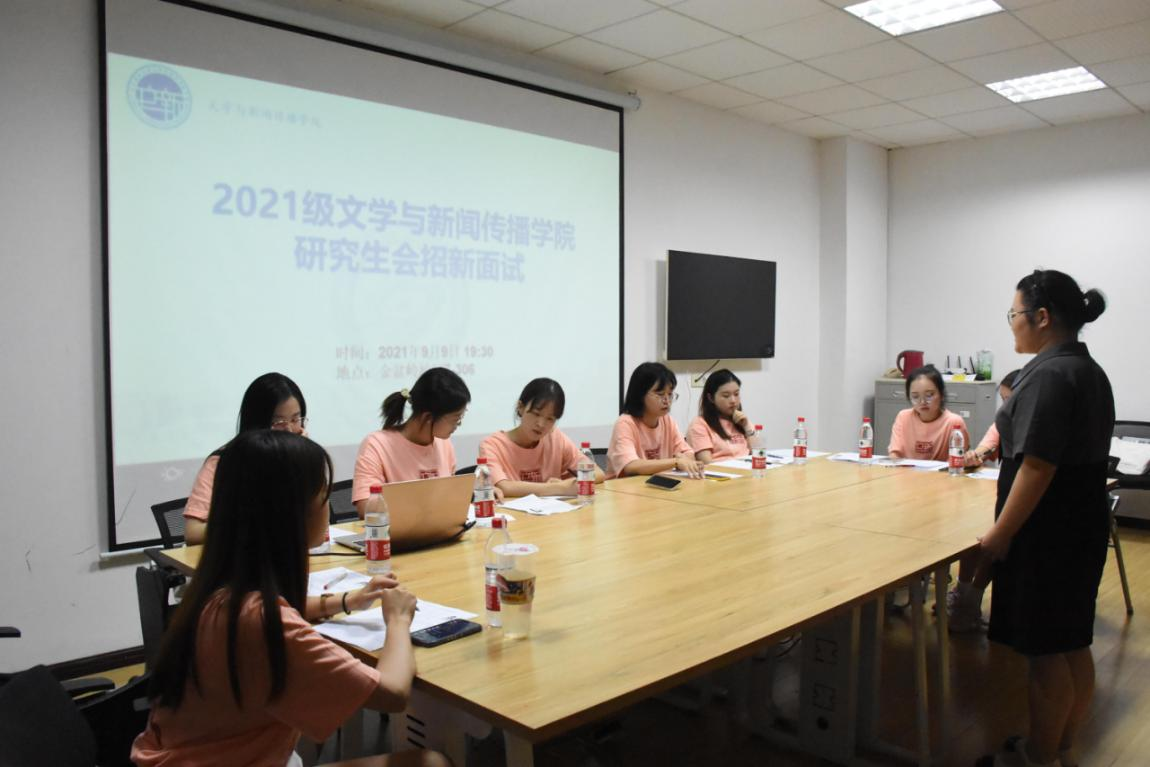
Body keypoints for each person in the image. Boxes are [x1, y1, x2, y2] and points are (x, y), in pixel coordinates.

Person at [132, 430, 448, 767]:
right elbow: (393, 694)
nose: (329, 505)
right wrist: (398, 619)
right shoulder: (262, 625)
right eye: (323, 495)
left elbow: (279, 613)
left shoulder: (217, 591)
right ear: (290, 511)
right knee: (431, 763)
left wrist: (347, 601)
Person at [975, 270, 1113, 767]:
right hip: (1080, 524)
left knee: (1046, 653)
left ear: (1042, 317)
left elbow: (1036, 466)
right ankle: (1062, 747)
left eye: (1014, 314)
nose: (1012, 323)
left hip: (1048, 532)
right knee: (1073, 642)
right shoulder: (1086, 369)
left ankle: (1037, 756)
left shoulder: (1049, 375)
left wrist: (1000, 534)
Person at [184, 373, 308, 545]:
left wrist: (307, 461)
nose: (289, 430)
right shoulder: (223, 462)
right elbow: (193, 533)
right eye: (279, 422)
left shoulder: (302, 458)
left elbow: (315, 528)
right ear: (256, 422)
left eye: (295, 419)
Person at [352, 367, 469, 517]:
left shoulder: (444, 444)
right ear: (428, 417)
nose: (458, 425)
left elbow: (449, 500)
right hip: (396, 531)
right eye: (456, 419)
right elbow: (366, 508)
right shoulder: (376, 444)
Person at [479, 378, 605, 497]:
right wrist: (560, 488)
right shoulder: (492, 445)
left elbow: (598, 472)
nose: (541, 424)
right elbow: (504, 487)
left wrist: (570, 483)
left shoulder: (555, 438)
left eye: (550, 419)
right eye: (536, 414)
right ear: (520, 407)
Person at [607, 362, 703, 479]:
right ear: (640, 395)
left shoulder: (667, 421)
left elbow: (688, 454)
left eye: (670, 394)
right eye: (660, 394)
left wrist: (683, 459)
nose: (667, 400)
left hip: (656, 484)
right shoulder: (625, 423)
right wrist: (676, 462)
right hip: (623, 487)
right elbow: (630, 466)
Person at [887, 365, 970, 462]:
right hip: (906, 471)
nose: (922, 402)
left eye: (929, 395)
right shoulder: (903, 417)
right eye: (915, 396)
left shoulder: (954, 422)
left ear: (941, 394)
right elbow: (894, 454)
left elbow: (959, 459)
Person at [686, 369, 759, 463]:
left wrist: (746, 426)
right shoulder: (699, 425)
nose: (733, 400)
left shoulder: (741, 420)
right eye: (726, 396)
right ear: (711, 398)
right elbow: (707, 463)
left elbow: (759, 454)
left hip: (747, 469)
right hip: (722, 471)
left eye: (736, 394)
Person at [964, 370, 1021, 467]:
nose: (1004, 406)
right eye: (1003, 399)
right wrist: (973, 456)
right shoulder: (1003, 422)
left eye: (1009, 400)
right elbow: (986, 447)